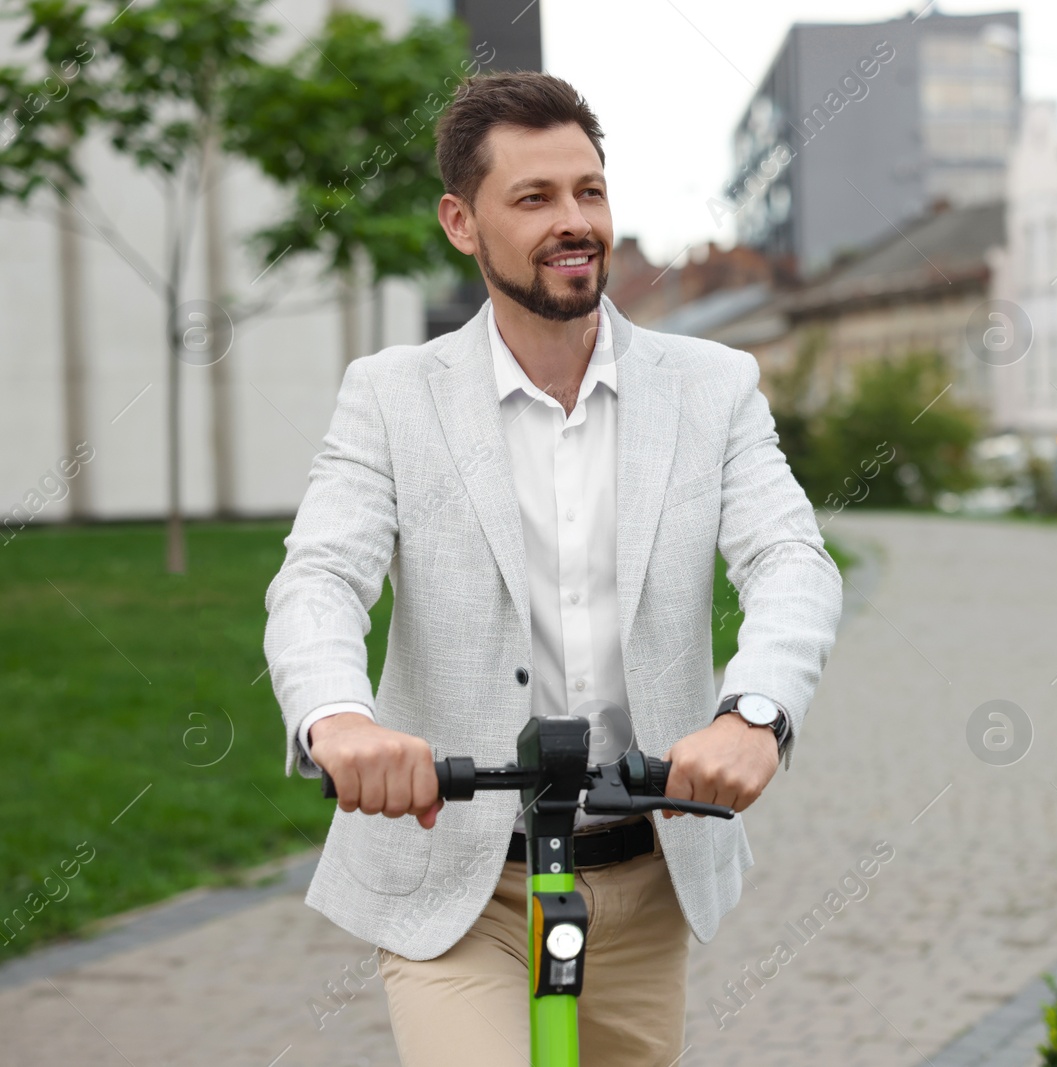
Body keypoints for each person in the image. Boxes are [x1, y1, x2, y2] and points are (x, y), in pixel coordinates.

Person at [263, 71, 842, 1066]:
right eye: (533, 199)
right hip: (460, 877)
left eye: (589, 190)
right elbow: (319, 576)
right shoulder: (393, 396)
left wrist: (754, 713)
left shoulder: (712, 387)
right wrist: (340, 719)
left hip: (647, 870)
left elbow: (789, 557)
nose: (573, 222)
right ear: (461, 222)